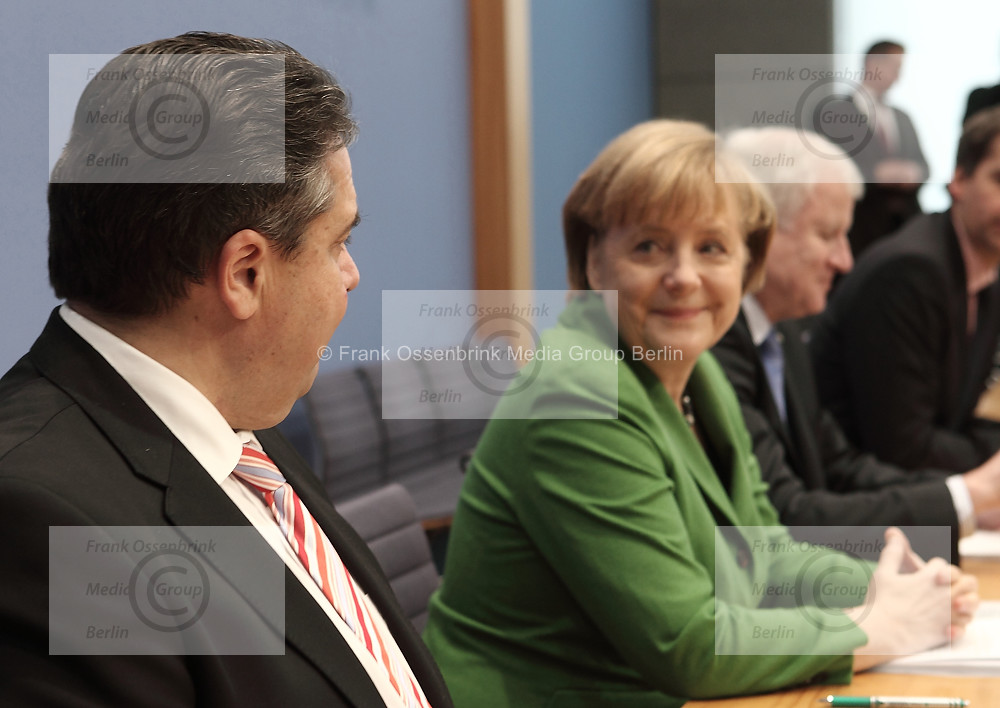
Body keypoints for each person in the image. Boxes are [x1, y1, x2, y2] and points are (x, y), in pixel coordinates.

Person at [422, 120, 976, 708]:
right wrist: (875, 627)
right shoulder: (576, 397)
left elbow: (761, 552)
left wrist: (891, 585)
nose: (683, 277)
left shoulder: (697, 371)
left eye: (711, 248)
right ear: (593, 260)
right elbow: (688, 646)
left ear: (748, 265)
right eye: (648, 247)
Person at [0, 32, 452, 708]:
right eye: (338, 243)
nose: (351, 275)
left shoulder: (233, 423)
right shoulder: (42, 518)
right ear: (245, 272)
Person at [715, 126, 1000, 562]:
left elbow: (838, 467)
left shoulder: (782, 331)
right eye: (826, 234)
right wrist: (968, 495)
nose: (845, 260)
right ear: (757, 232)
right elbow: (785, 516)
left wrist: (964, 499)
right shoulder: (716, 343)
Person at [812, 105, 1000, 474]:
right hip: (858, 492)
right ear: (959, 180)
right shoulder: (910, 271)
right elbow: (905, 448)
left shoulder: (989, 273)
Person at [816, 41, 928, 257]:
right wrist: (874, 173)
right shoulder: (834, 112)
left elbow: (924, 166)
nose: (898, 76)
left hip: (904, 229)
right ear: (872, 64)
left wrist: (913, 173)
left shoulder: (902, 117)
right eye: (895, 67)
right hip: (860, 226)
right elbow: (827, 165)